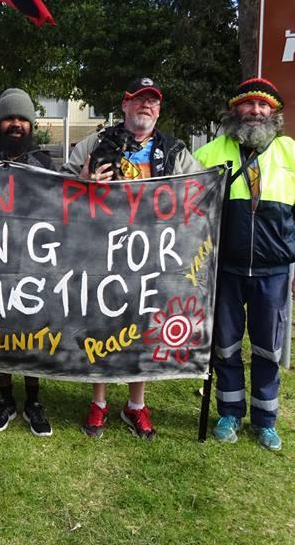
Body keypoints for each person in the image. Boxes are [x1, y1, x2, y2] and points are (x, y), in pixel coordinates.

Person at [64, 76, 202, 440]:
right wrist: (83, 178)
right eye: (139, 99)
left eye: (153, 101)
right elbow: (60, 190)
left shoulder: (175, 151)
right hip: (101, 252)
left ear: (159, 110)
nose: (146, 106)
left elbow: (199, 191)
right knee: (102, 325)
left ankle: (136, 405)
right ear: (125, 105)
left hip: (152, 256)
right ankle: (99, 401)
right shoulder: (95, 143)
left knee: (144, 326)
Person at [194, 77, 295, 450]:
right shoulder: (210, 154)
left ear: (274, 113)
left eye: (264, 105)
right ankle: (229, 412)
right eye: (248, 104)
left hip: (274, 272)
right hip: (225, 271)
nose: (256, 111)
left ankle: (265, 420)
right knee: (226, 346)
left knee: (269, 348)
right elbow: (190, 214)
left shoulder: (293, 154)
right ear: (235, 111)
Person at [0, 88, 56, 437]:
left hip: (35, 261)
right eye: (10, 118)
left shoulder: (45, 163)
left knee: (33, 330)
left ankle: (34, 400)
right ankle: (5, 398)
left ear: (31, 124)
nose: (16, 124)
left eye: (23, 118)